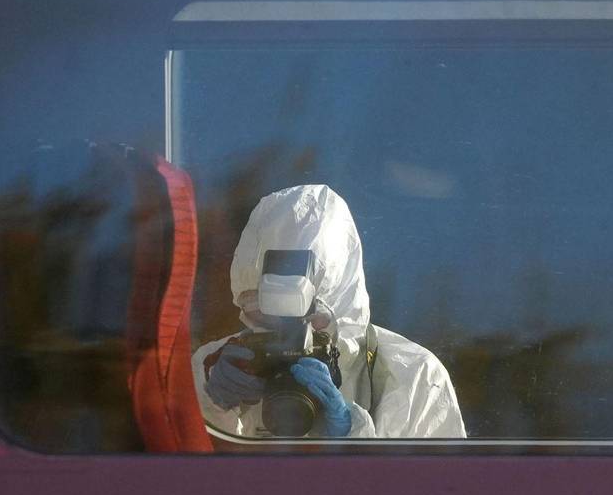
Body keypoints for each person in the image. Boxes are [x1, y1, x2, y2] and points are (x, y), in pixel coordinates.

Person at [192, 184, 466, 439]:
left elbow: (439, 476)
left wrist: (352, 435)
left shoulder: (413, 376)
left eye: (308, 318)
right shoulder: (210, 370)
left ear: (342, 306)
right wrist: (211, 409)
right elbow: (186, 470)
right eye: (266, 313)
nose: (288, 335)